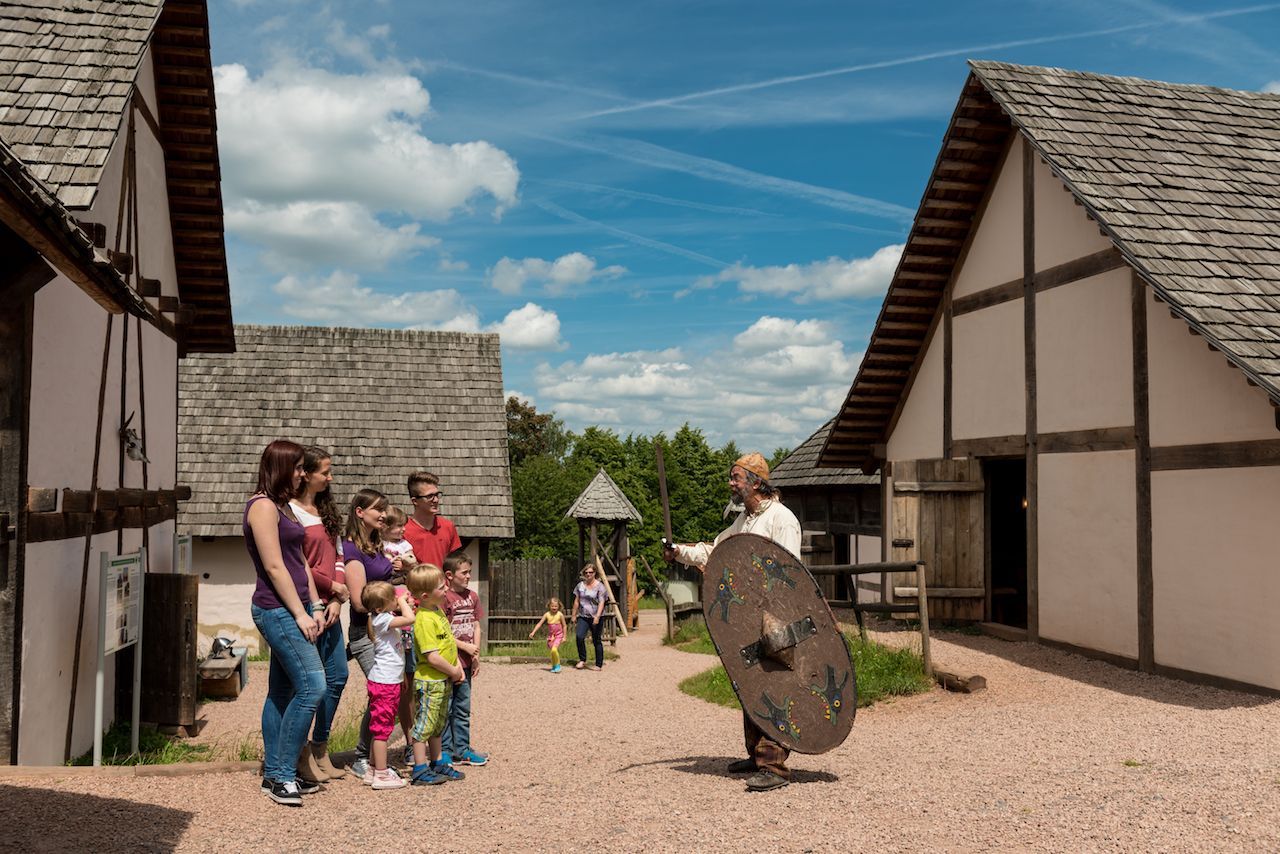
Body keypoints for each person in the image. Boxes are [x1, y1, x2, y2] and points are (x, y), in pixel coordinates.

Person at [663, 452, 802, 793]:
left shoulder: (781, 520)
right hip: (748, 617)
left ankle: (774, 765)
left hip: (774, 618)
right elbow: (715, 553)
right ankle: (757, 756)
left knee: (772, 686)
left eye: (736, 478)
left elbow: (789, 573)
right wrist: (679, 551)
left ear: (756, 483)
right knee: (750, 683)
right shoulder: (745, 522)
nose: (731, 483)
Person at [246, 439, 326, 807]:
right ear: (280, 467)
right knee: (313, 687)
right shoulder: (262, 507)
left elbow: (300, 562)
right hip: (275, 609)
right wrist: (299, 613)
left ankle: (275, 773)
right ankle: (281, 775)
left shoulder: (284, 507)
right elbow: (275, 567)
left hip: (296, 606)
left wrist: (315, 604)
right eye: (296, 468)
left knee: (282, 693)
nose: (301, 474)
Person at [290, 445, 349, 783]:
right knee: (313, 683)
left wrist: (339, 596)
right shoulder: (292, 512)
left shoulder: (326, 510)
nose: (330, 477)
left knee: (338, 676)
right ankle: (300, 752)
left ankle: (320, 745)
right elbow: (300, 563)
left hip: (331, 606)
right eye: (325, 471)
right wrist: (332, 587)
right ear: (307, 474)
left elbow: (338, 553)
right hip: (307, 605)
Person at [339, 488, 396, 782]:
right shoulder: (352, 550)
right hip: (366, 632)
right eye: (378, 509)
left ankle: (376, 757)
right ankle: (362, 757)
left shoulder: (377, 546)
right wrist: (390, 601)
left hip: (386, 629)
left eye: (384, 510)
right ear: (360, 512)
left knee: (390, 695)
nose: (384, 514)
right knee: (381, 695)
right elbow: (360, 601)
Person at [406, 563, 467, 785]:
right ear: (425, 595)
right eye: (441, 587)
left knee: (437, 724)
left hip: (442, 679)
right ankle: (420, 769)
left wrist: (456, 666)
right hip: (430, 681)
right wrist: (453, 671)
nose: (446, 589)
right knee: (424, 725)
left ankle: (438, 761)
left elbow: (447, 643)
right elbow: (431, 656)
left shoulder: (437, 610)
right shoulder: (423, 619)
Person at [358, 581, 416, 790]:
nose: (397, 599)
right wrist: (402, 601)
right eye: (392, 598)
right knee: (382, 730)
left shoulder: (383, 617)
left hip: (386, 680)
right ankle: (382, 775)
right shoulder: (382, 619)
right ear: (380, 607)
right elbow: (411, 618)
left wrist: (400, 601)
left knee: (379, 727)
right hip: (385, 683)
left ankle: (374, 769)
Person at [441, 552, 486, 766]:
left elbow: (477, 625)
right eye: (464, 573)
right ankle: (445, 749)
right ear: (449, 575)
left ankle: (463, 749)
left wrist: (475, 654)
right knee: (446, 706)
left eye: (470, 572)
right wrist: (463, 646)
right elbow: (442, 632)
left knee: (463, 707)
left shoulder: (473, 596)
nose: (468, 576)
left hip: (468, 661)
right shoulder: (443, 599)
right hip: (449, 662)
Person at [381, 504, 418, 761]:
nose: (403, 530)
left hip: (405, 613)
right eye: (398, 526)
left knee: (409, 682)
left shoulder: (404, 545)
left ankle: (411, 741)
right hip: (387, 615)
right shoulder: (376, 546)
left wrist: (404, 565)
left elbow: (414, 566)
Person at [403, 471, 461, 570]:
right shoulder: (403, 530)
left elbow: (455, 565)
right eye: (429, 496)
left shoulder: (448, 526)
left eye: (437, 494)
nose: (436, 500)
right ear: (415, 501)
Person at [570, 565, 608, 671]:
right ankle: (582, 659)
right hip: (583, 616)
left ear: (594, 573)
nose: (588, 574)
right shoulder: (580, 586)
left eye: (590, 572)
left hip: (596, 616)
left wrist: (597, 616)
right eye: (586, 572)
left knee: (596, 640)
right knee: (579, 636)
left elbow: (601, 602)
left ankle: (598, 664)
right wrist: (573, 615)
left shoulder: (600, 586)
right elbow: (577, 601)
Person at [529, 597, 567, 673]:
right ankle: (554, 666)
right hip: (551, 637)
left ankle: (558, 665)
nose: (554, 607)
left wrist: (564, 637)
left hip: (559, 636)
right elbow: (540, 623)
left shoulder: (560, 615)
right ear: (549, 606)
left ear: (558, 606)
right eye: (552, 606)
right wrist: (533, 632)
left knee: (554, 650)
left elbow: (564, 626)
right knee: (552, 652)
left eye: (556, 606)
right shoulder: (547, 615)